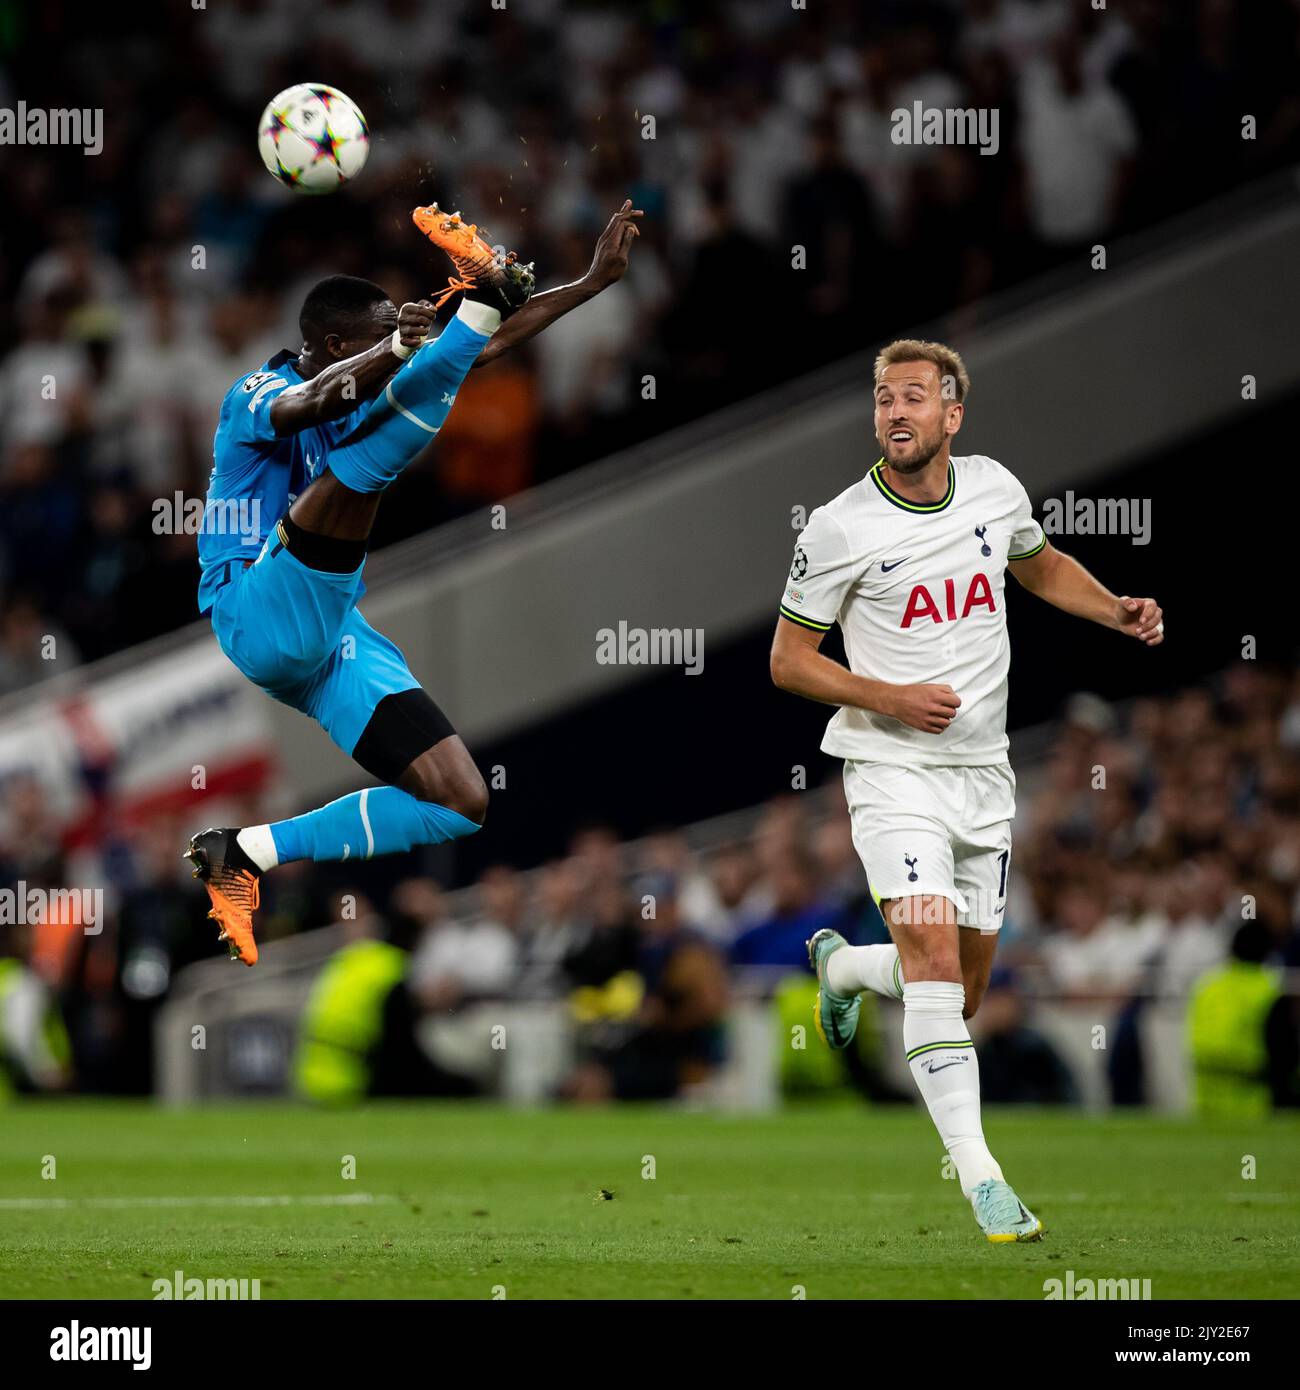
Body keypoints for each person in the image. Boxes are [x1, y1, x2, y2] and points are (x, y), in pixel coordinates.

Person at [770, 338, 1163, 1243]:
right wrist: (889, 697)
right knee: (937, 967)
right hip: (891, 769)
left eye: (913, 398)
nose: (895, 413)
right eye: (882, 399)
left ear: (953, 415)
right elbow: (789, 661)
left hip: (983, 776)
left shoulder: (994, 488)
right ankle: (985, 1181)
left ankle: (843, 967)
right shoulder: (837, 527)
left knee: (963, 989)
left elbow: (1038, 564)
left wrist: (1115, 608)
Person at [184, 200, 642, 965]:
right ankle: (481, 292)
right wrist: (407, 347)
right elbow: (313, 400)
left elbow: (475, 355)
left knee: (462, 801)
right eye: (374, 346)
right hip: (252, 609)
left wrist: (593, 282)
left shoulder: (368, 374)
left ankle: (244, 852)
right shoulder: (254, 398)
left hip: (329, 633)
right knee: (363, 469)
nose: (395, 354)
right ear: (332, 344)